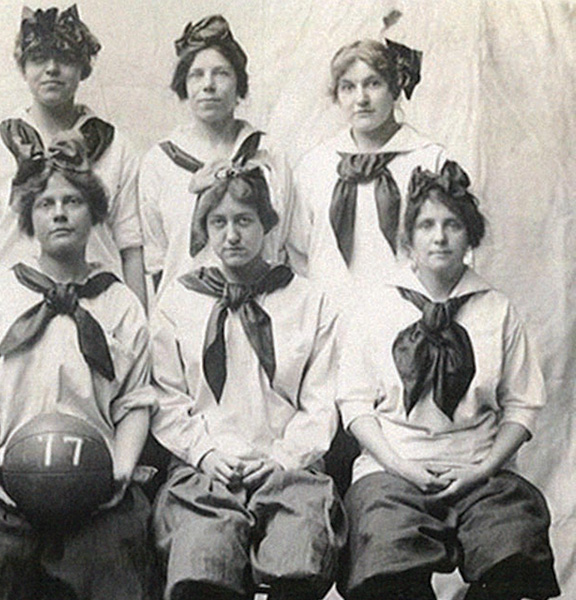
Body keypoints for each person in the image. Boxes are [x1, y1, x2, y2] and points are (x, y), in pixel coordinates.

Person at [337, 162, 560, 600]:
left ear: (469, 236)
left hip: (478, 468)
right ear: (409, 238)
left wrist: (485, 467)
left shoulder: (497, 310)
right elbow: (355, 404)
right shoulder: (376, 308)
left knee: (513, 548)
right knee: (387, 554)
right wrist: (401, 467)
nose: (439, 237)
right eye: (426, 225)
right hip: (392, 468)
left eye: (452, 224)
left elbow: (521, 405)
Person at [0, 140, 155, 600]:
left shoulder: (120, 302)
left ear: (94, 214)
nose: (59, 213)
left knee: (115, 568)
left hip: (97, 481)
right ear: (29, 220)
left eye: (73, 202)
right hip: (6, 471)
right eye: (46, 204)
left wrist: (121, 467)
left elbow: (135, 400)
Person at [150, 158, 344, 600]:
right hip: (205, 472)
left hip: (288, 468)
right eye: (218, 223)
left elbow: (321, 401)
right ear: (204, 229)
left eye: (244, 220)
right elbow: (165, 397)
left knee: (297, 562)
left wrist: (283, 457)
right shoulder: (178, 302)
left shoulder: (308, 300)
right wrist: (205, 454)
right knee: (204, 567)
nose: (232, 235)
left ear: (267, 224)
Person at [0, 4, 147, 306]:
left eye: (64, 58)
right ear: (23, 68)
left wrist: (137, 322)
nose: (52, 68)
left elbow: (130, 248)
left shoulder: (116, 147)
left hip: (96, 303)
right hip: (11, 306)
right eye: (39, 58)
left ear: (83, 68)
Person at [139, 14, 294, 301]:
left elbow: (283, 243)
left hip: (260, 307)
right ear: (184, 85)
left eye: (221, 73)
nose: (208, 85)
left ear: (239, 85)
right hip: (185, 314)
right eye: (196, 75)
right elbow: (158, 258)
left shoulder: (268, 154)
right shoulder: (159, 162)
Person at [287, 37, 445, 307]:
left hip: (409, 321)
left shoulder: (430, 160)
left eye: (373, 84)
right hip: (333, 320)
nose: (361, 99)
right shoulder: (315, 165)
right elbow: (298, 253)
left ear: (395, 89)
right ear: (337, 95)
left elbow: (453, 252)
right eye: (348, 87)